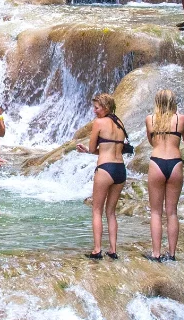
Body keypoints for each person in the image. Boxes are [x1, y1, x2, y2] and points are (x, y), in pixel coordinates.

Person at [75, 93, 129, 259]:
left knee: (97, 210)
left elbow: (93, 149)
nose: (94, 111)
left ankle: (97, 250)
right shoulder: (119, 123)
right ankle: (113, 250)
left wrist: (86, 150)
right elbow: (115, 148)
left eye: (97, 108)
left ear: (105, 107)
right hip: (120, 169)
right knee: (111, 212)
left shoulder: (99, 123)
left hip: (105, 168)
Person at [145, 89, 184, 261]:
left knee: (156, 212)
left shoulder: (150, 119)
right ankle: (171, 255)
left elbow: (152, 142)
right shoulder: (182, 119)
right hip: (175, 163)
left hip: (157, 162)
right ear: (173, 102)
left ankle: (156, 254)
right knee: (172, 212)